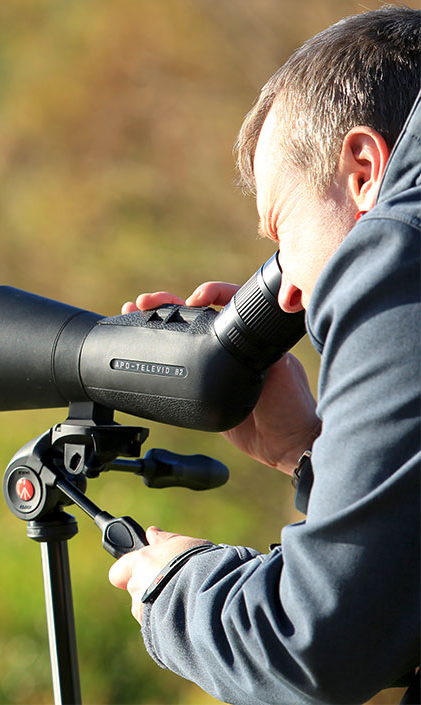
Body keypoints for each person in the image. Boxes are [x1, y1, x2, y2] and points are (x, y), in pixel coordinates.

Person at [108, 7, 421, 704]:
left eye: (283, 238)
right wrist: (307, 450)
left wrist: (178, 584)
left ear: (365, 169)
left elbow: (314, 644)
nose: (288, 297)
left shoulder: (405, 247)